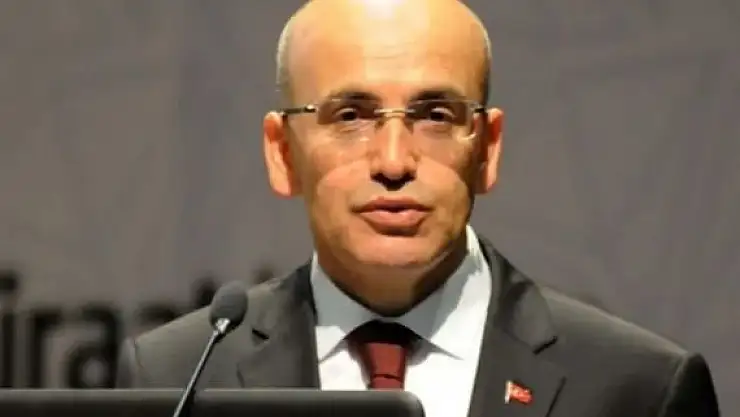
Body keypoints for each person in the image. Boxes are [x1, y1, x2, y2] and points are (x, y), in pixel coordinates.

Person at [116, 1, 720, 416]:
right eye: (350, 116)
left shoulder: (636, 389)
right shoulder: (179, 377)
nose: (394, 160)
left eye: (435, 115)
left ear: (487, 149)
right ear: (282, 153)